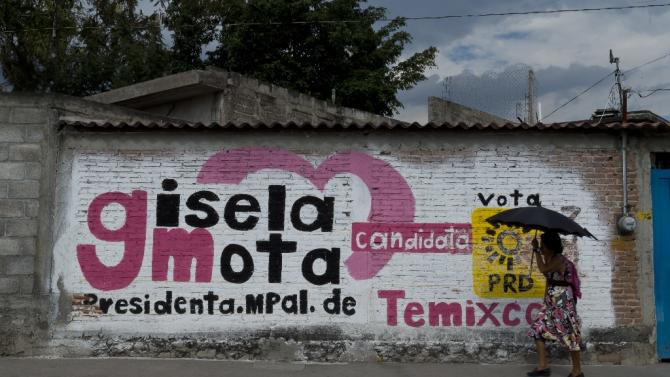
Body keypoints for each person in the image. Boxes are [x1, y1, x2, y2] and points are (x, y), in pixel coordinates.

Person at [527, 231, 584, 377]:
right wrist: (545, 297)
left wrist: (535, 250)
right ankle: (543, 367)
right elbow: (549, 278)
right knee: (537, 329)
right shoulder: (550, 256)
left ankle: (577, 371)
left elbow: (544, 270)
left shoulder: (558, 259)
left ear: (551, 246)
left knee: (570, 334)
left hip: (563, 300)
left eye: (543, 246)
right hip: (552, 299)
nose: (541, 248)